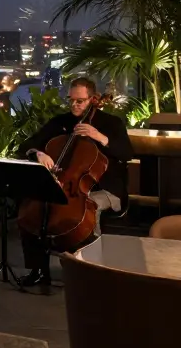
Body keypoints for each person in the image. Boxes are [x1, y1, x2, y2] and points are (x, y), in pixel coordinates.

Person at [17, 77, 133, 288]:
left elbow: (126, 153)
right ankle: (38, 270)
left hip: (106, 188)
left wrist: (100, 137)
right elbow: (27, 144)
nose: (74, 105)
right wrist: (38, 153)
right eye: (71, 100)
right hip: (67, 184)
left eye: (80, 101)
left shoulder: (111, 123)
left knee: (90, 208)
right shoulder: (60, 123)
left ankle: (91, 271)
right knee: (33, 209)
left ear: (93, 99)